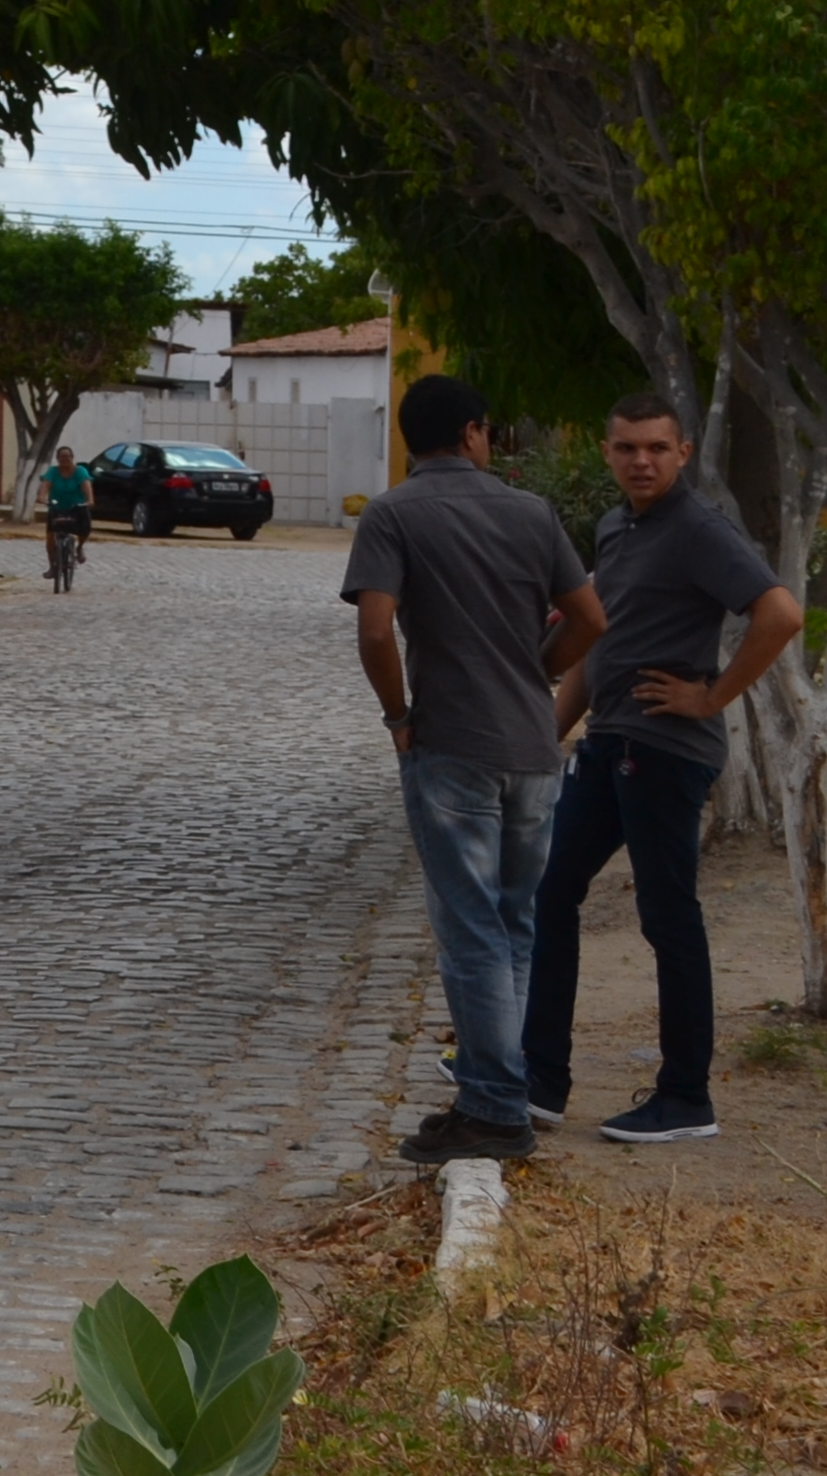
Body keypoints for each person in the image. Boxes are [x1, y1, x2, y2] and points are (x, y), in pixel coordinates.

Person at [521, 389, 800, 1145]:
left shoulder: (697, 529)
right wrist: (546, 733)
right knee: (550, 891)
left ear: (681, 453)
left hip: (666, 753)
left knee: (668, 918)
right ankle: (539, 1079)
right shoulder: (617, 527)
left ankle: (685, 1098)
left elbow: (780, 613)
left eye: (655, 448)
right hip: (609, 745)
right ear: (608, 453)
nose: (641, 460)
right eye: (625, 448)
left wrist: (712, 696)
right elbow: (598, 643)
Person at [347, 374, 606, 1163]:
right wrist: (535, 669)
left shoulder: (393, 514)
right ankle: (499, 1093)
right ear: (471, 433)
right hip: (534, 747)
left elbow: (374, 631)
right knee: (515, 926)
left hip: (451, 745)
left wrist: (399, 718)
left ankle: (494, 1108)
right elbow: (591, 618)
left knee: (471, 935)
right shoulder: (531, 513)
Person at [42, 447, 96, 592]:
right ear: (57, 459)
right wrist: (41, 497)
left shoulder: (80, 472)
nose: (65, 460)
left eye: (67, 457)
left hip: (76, 507)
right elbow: (45, 484)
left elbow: (86, 486)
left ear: (72, 458)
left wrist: (89, 500)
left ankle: (79, 548)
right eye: (62, 457)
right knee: (50, 536)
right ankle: (53, 567)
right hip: (57, 507)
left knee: (84, 528)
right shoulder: (53, 472)